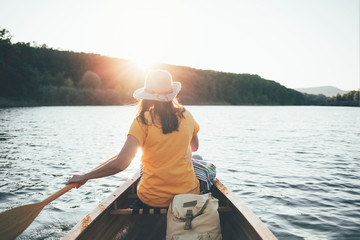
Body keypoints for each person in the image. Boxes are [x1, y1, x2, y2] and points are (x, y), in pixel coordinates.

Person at [67, 69, 200, 207]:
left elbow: (121, 163)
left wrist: (85, 177)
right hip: (187, 195)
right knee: (199, 161)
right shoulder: (187, 115)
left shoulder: (142, 120)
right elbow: (194, 147)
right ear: (172, 94)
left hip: (154, 199)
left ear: (147, 96)